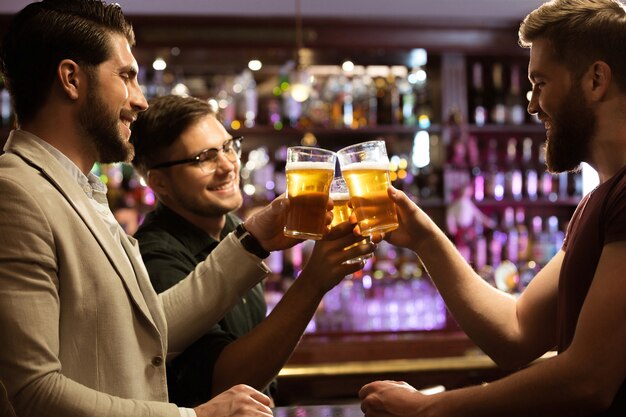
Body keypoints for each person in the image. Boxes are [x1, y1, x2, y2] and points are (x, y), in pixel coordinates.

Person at [0, 1, 305, 416]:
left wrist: (255, 240)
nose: (140, 100)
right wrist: (194, 416)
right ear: (71, 79)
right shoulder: (14, 193)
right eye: (126, 76)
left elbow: (144, 332)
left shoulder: (78, 189)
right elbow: (35, 390)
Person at [359, 0, 626, 416]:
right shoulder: (600, 200)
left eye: (540, 82)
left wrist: (427, 409)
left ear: (595, 80)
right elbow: (516, 333)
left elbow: (587, 379)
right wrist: (426, 239)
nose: (533, 105)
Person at [129, 94, 374, 406]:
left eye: (229, 146)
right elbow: (223, 384)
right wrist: (314, 281)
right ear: (159, 183)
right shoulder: (157, 257)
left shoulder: (236, 229)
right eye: (204, 157)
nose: (228, 166)